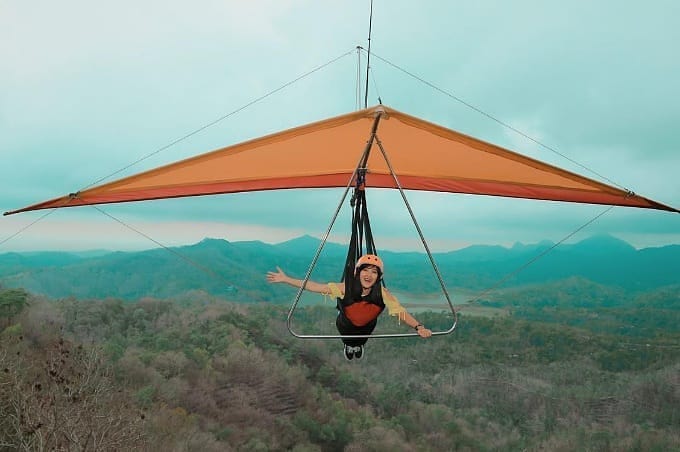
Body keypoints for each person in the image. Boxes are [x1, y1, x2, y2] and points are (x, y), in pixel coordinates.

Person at [266, 254, 432, 361]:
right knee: (349, 337)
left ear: (378, 277)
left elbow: (400, 312)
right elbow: (316, 287)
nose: (369, 275)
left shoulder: (382, 293)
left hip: (367, 325)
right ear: (358, 273)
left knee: (362, 339)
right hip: (345, 323)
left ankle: (358, 346)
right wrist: (286, 279)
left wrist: (418, 326)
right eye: (365, 270)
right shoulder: (346, 288)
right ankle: (348, 345)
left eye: (374, 272)